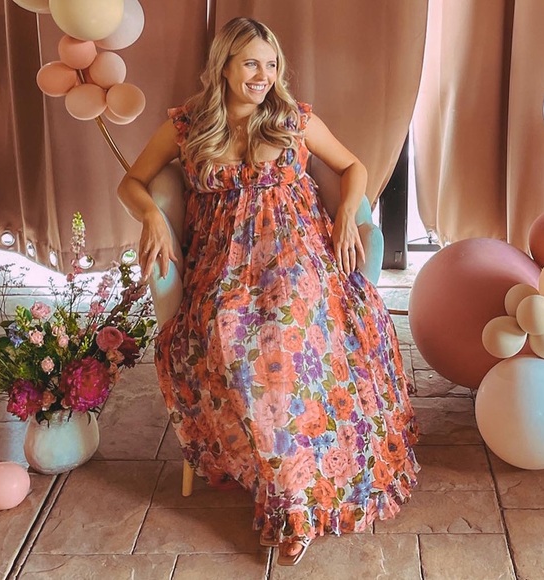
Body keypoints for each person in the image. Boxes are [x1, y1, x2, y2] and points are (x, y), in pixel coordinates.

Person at [118, 16, 419, 567]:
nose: (263, 75)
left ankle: (291, 505)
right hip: (224, 266)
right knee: (228, 337)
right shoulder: (187, 126)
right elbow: (130, 182)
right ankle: (279, 478)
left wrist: (347, 214)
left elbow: (352, 166)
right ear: (224, 67)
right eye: (252, 63)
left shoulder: (294, 119)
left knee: (284, 335)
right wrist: (153, 218)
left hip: (298, 254)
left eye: (272, 64)